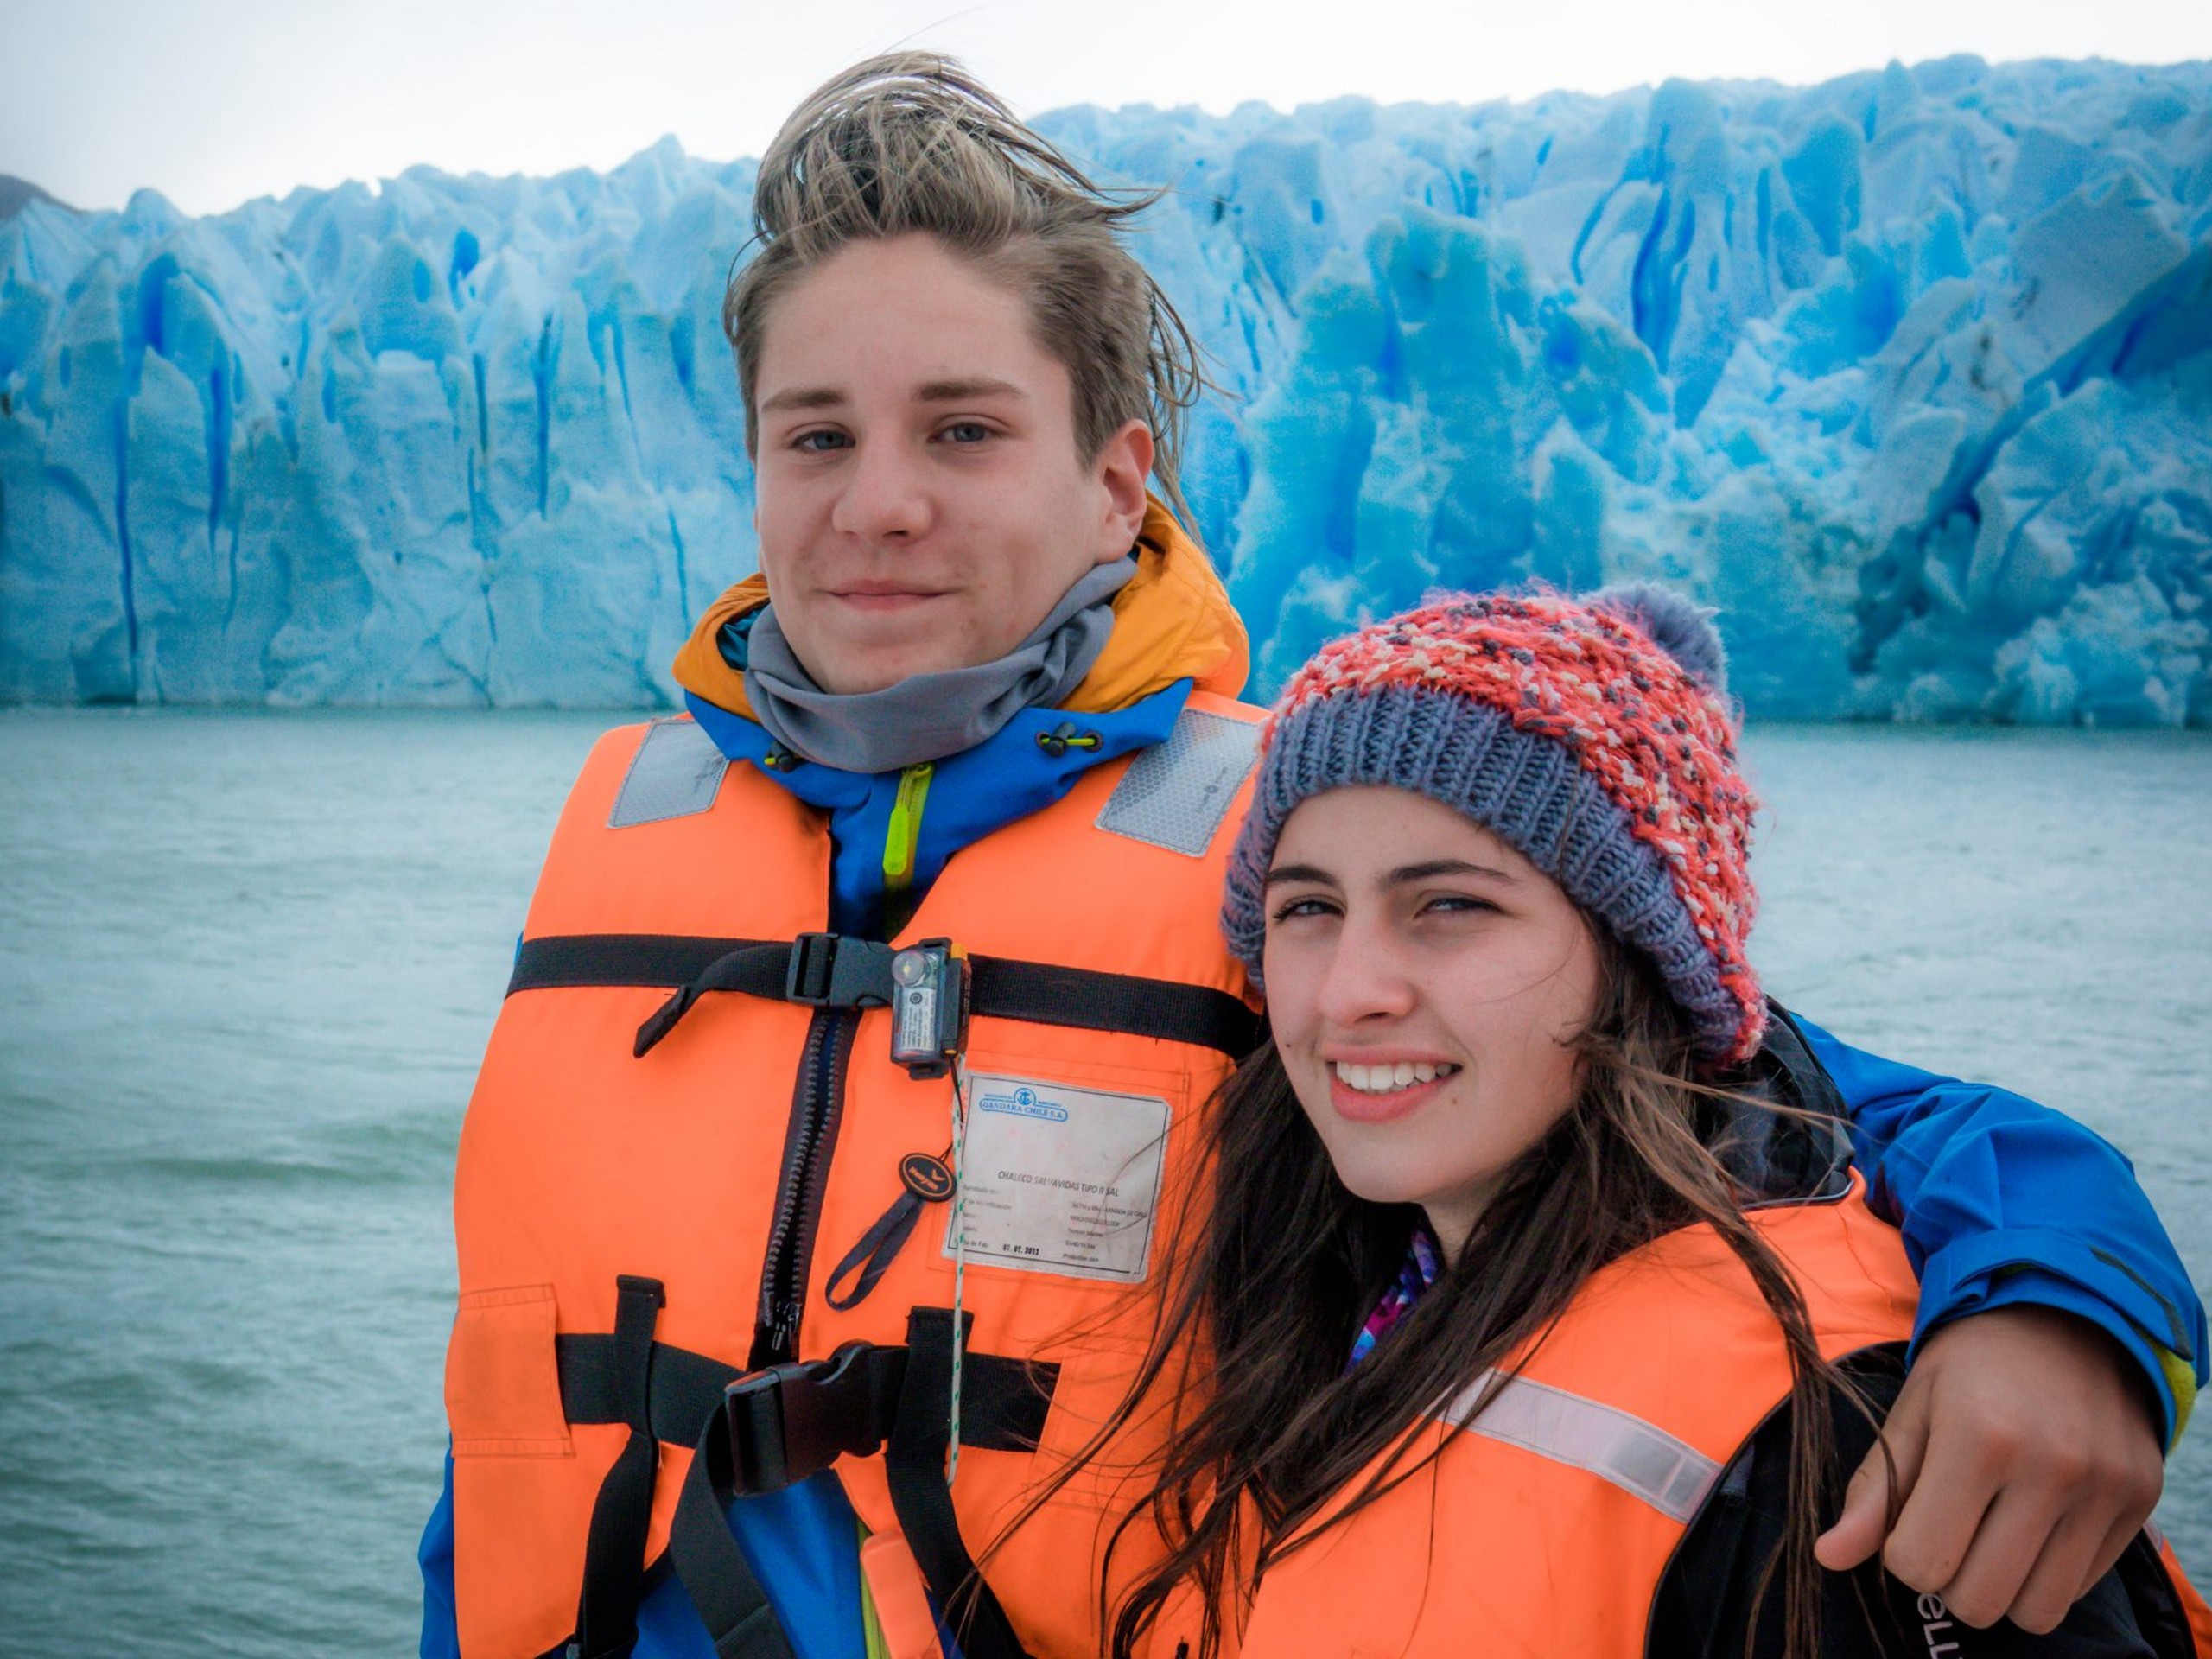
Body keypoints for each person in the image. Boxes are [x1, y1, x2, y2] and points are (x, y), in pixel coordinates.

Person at [418, 53, 2203, 1659]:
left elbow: (1791, 1095)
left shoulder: (1306, 860)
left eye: (962, 430)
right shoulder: (624, 826)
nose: (878, 502)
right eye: (817, 436)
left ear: (1117, 484)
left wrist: (2065, 1305)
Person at [1065, 586, 2212, 1659]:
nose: (1348, 988)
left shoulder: (1835, 1436)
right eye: (1307, 906)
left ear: (1642, 960)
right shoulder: (1346, 1276)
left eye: (1451, 905)